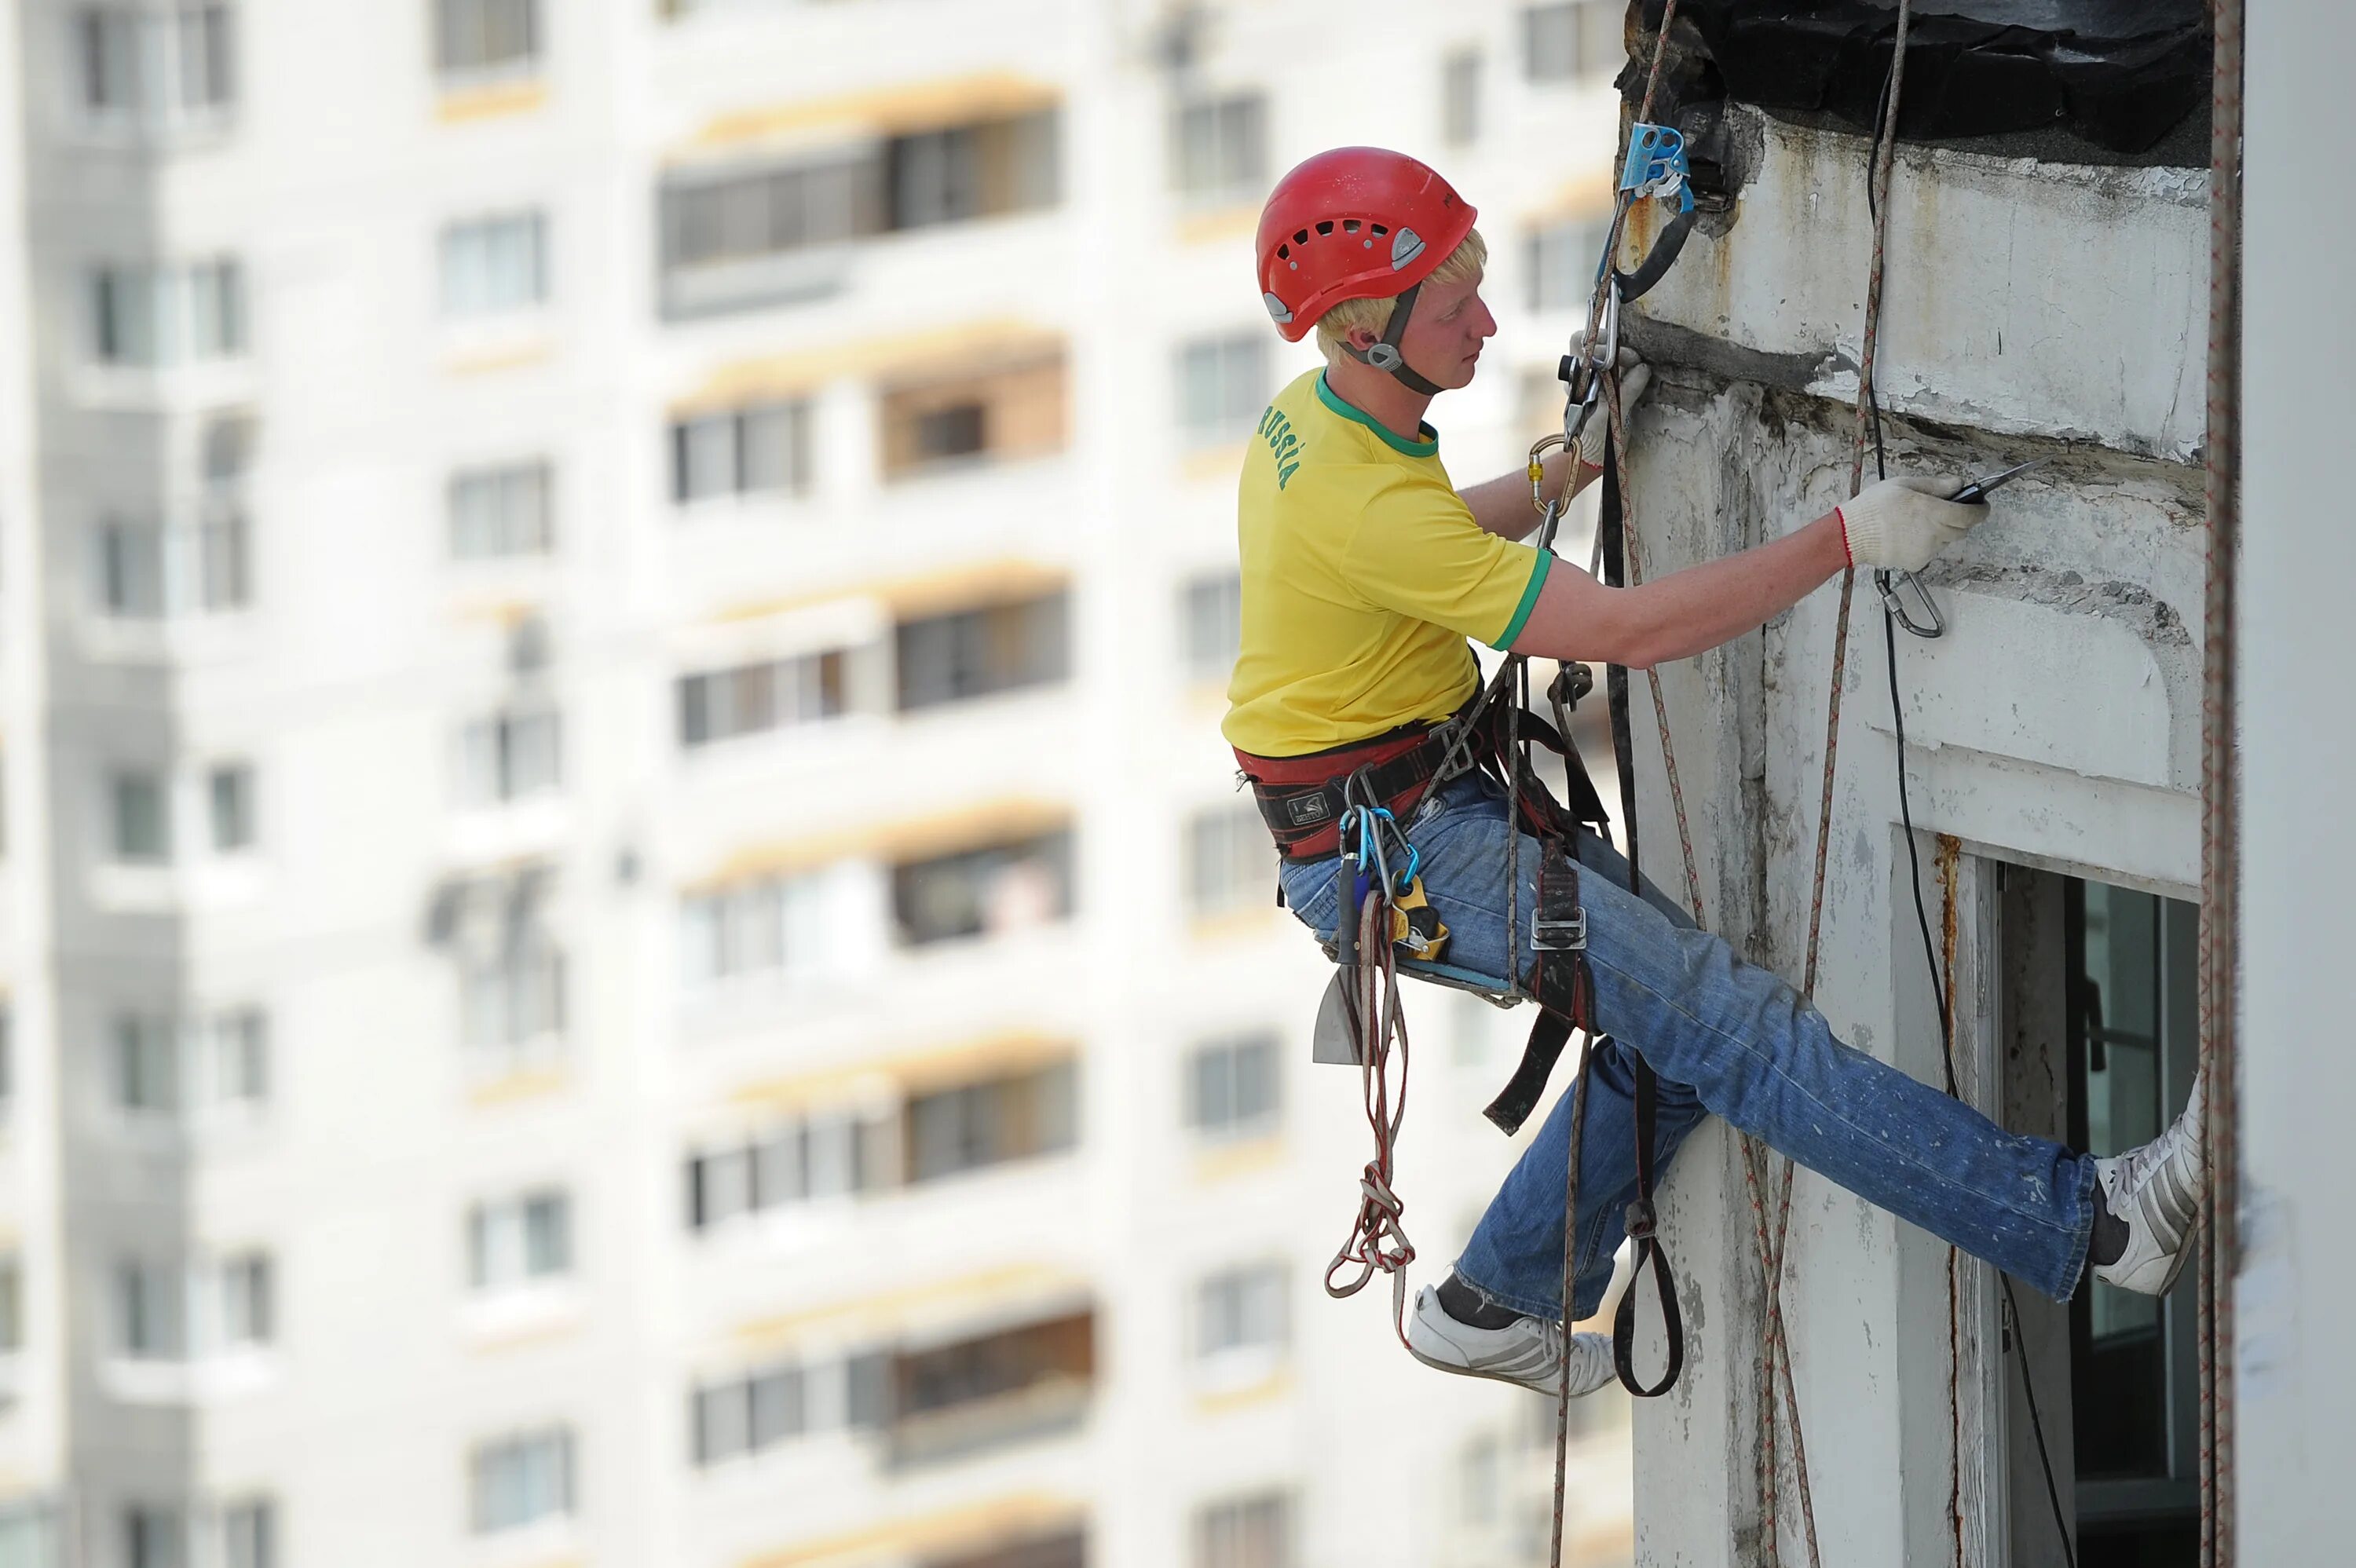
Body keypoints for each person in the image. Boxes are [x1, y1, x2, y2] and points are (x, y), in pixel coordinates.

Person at [1224, 147, 2205, 1397]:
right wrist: (1847, 537)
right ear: (1367, 330)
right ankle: (2100, 1225)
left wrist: (1557, 474)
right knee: (1742, 1034)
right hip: (1409, 848)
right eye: (1451, 303)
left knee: (1684, 1037)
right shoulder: (1362, 502)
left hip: (1413, 807)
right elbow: (1629, 628)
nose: (1484, 316)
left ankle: (1497, 1295)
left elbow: (1424, 540)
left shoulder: (1313, 425)